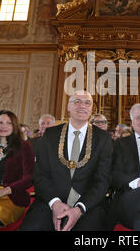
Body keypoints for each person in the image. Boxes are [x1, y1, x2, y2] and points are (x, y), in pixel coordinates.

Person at [20, 91, 113, 231]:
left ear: (91, 109)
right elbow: (40, 174)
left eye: (87, 102)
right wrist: (55, 203)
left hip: (87, 205)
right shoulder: (50, 135)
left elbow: (102, 180)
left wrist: (79, 208)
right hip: (49, 202)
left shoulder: (103, 139)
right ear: (68, 107)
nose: (82, 105)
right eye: (77, 101)